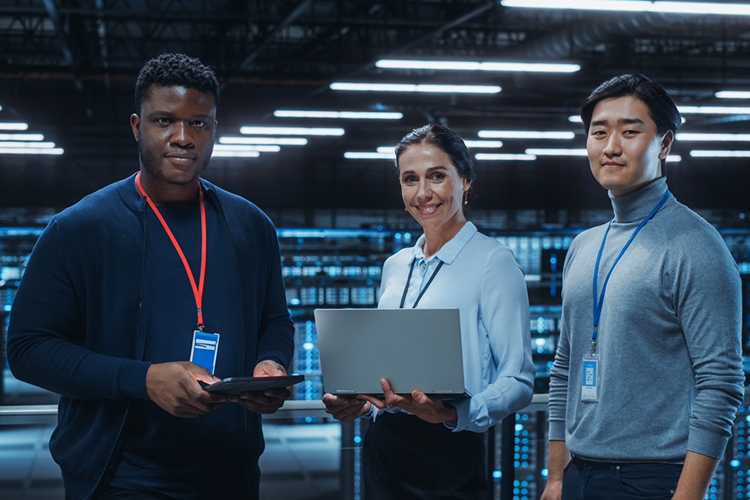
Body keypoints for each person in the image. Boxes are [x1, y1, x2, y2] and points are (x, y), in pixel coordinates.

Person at [7, 53, 295, 500]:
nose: (184, 137)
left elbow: (275, 321)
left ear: (215, 129)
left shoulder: (250, 225)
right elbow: (28, 348)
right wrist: (142, 380)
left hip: (231, 474)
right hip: (122, 478)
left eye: (200, 123)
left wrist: (270, 365)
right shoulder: (80, 228)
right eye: (165, 120)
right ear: (138, 126)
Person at [540, 74, 744, 500]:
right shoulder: (583, 246)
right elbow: (564, 370)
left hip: (651, 481)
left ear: (664, 143)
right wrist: (557, 477)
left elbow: (720, 382)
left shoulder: (695, 246)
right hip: (578, 474)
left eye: (630, 132)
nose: (611, 146)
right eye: (599, 132)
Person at [322, 124, 535, 499]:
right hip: (384, 447)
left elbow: (518, 381)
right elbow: (387, 367)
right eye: (410, 179)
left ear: (465, 180)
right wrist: (358, 399)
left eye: (437, 176)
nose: (423, 193)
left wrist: (453, 414)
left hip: (448, 452)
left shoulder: (493, 262)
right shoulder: (395, 265)